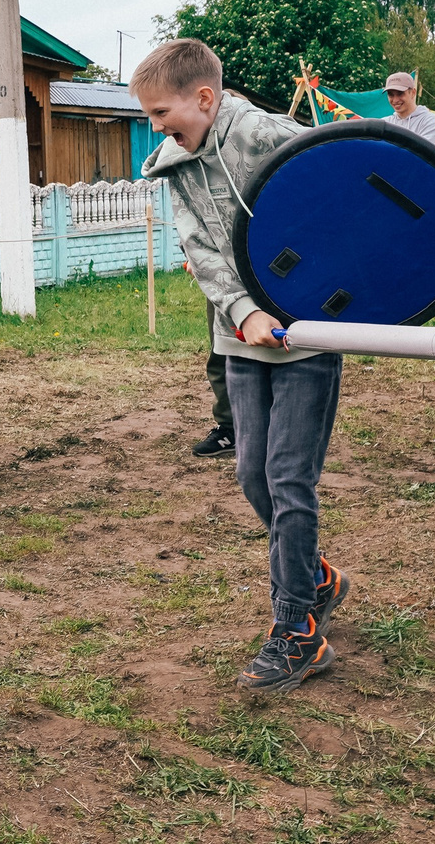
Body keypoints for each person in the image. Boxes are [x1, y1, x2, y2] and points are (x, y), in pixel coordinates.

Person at [136, 38, 352, 694]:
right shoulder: (172, 166)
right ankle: (316, 577)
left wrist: (323, 289)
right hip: (240, 338)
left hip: (307, 335)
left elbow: (339, 194)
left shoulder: (265, 136)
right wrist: (241, 311)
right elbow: (199, 246)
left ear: (204, 98)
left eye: (160, 112)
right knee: (252, 475)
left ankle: (297, 632)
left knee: (289, 481)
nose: (155, 126)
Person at [382, 71, 435, 145]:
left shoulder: (429, 120)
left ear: (413, 93)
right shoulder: (384, 123)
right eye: (391, 95)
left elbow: (421, 153)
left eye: (400, 93)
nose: (395, 100)